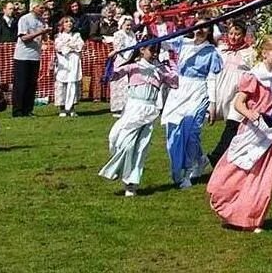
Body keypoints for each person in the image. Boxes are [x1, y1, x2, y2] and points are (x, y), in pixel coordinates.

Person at [207, 36, 272, 232]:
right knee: (239, 170)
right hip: (252, 131)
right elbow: (238, 103)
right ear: (264, 53)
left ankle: (252, 217)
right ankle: (229, 206)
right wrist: (251, 115)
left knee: (264, 177)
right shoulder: (254, 76)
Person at [100, 43, 178, 196]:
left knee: (139, 147)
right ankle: (117, 168)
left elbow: (175, 82)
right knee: (116, 139)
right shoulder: (133, 67)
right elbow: (109, 77)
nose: (154, 54)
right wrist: (110, 60)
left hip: (148, 110)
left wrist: (172, 62)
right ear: (142, 50)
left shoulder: (160, 70)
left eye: (156, 51)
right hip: (132, 108)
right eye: (151, 50)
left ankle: (131, 184)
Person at [163, 25, 222, 188]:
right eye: (198, 27)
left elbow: (212, 78)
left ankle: (188, 172)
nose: (200, 31)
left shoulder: (212, 52)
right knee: (173, 132)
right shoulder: (183, 42)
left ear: (210, 32)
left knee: (191, 133)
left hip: (199, 92)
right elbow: (163, 43)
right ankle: (193, 162)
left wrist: (213, 103)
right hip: (180, 91)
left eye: (205, 28)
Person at [208, 20, 256, 165]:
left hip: (237, 94)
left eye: (237, 34)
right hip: (219, 91)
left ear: (243, 35)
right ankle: (193, 158)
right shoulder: (220, 50)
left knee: (232, 126)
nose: (234, 37)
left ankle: (215, 158)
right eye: (231, 33)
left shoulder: (250, 53)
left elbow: (254, 73)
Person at [11, 0, 49, 117]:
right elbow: (24, 38)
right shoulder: (25, 19)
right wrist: (39, 32)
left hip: (35, 56)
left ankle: (28, 109)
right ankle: (18, 110)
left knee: (31, 84)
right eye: (41, 8)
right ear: (34, 7)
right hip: (23, 56)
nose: (43, 10)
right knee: (21, 84)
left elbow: (45, 39)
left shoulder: (41, 20)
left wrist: (45, 33)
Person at [52, 15, 84, 117]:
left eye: (70, 22)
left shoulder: (77, 35)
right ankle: (62, 108)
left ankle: (72, 108)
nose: (69, 23)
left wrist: (70, 45)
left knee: (73, 84)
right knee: (62, 84)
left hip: (74, 62)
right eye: (66, 22)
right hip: (63, 64)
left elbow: (80, 45)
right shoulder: (58, 36)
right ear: (62, 24)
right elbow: (59, 48)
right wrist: (70, 46)